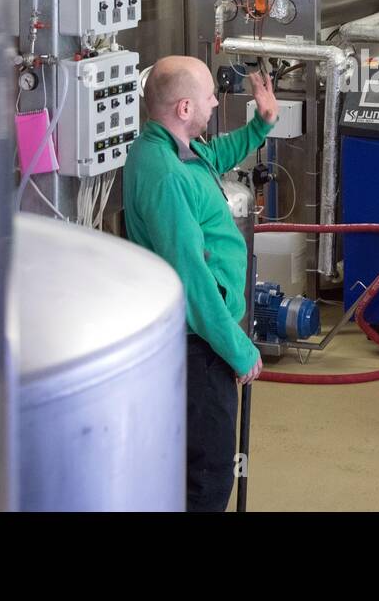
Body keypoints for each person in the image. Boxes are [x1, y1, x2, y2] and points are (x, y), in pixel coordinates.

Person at [123, 55, 277, 511]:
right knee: (205, 480)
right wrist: (239, 349)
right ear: (185, 108)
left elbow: (214, 157)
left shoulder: (169, 149)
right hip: (198, 350)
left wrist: (260, 125)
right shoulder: (166, 176)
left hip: (202, 341)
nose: (216, 100)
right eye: (209, 94)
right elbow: (191, 282)